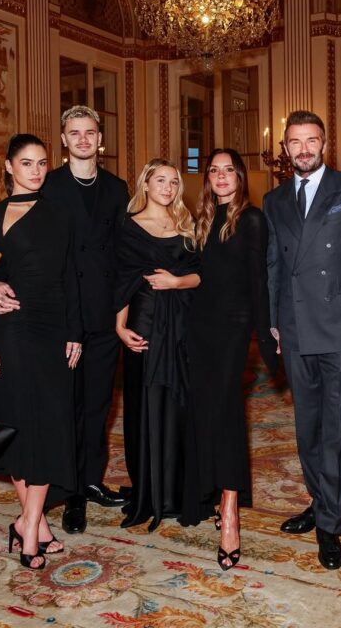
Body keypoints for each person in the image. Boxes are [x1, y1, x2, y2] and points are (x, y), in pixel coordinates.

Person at [0, 106, 129, 534]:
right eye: (74, 132)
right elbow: (15, 246)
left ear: (100, 139)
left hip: (102, 314)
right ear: (64, 140)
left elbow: (127, 251)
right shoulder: (44, 184)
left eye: (90, 132)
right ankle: (68, 494)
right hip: (56, 316)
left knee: (98, 406)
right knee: (61, 407)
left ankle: (89, 482)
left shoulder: (118, 188)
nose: (83, 139)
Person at [264, 110, 341, 570]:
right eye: (295, 142)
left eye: (311, 140)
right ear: (285, 148)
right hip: (295, 327)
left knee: (337, 429)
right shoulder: (275, 199)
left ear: (324, 144)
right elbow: (274, 264)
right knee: (307, 427)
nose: (303, 149)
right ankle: (320, 500)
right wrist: (274, 321)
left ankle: (331, 524)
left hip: (340, 329)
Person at [0, 134, 82, 569]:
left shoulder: (61, 214)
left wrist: (75, 332)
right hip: (11, 332)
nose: (36, 170)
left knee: (50, 425)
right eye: (27, 162)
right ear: (9, 168)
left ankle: (27, 524)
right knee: (12, 425)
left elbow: (70, 276)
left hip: (53, 330)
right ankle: (34, 527)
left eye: (42, 162)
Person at [181, 148, 278, 571]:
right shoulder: (201, 220)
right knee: (203, 411)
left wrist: (266, 333)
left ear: (240, 176)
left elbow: (258, 280)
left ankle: (231, 509)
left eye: (228, 170)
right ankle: (208, 494)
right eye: (214, 171)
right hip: (199, 327)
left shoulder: (252, 219)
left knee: (227, 413)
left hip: (233, 328)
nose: (221, 177)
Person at [114, 159, 200, 531]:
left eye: (173, 181)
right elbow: (121, 279)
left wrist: (177, 282)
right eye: (160, 180)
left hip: (183, 325)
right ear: (145, 184)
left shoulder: (188, 224)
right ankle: (148, 492)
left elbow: (203, 275)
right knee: (144, 404)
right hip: (144, 322)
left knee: (180, 404)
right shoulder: (128, 226)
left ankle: (178, 492)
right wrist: (119, 325)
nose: (167, 187)